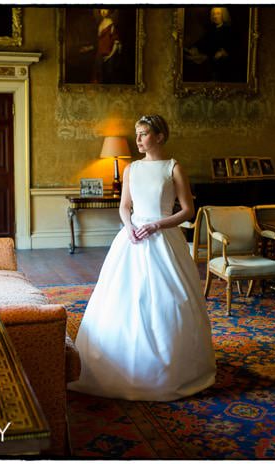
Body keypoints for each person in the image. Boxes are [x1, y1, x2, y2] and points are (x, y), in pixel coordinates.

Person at [68, 115, 216, 401]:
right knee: (123, 299)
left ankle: (167, 369)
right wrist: (131, 226)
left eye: (144, 133)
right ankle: (120, 366)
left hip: (163, 238)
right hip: (132, 238)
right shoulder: (132, 169)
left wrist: (157, 224)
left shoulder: (173, 168)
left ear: (160, 136)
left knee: (169, 301)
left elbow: (187, 210)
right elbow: (125, 207)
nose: (138, 139)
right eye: (137, 133)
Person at [79, 9, 123, 84]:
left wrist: (110, 55)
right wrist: (88, 48)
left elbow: (116, 42)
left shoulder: (111, 24)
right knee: (97, 76)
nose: (103, 11)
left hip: (109, 54)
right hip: (99, 53)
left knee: (108, 75)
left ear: (109, 10)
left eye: (105, 9)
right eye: (101, 9)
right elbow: (99, 42)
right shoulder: (100, 24)